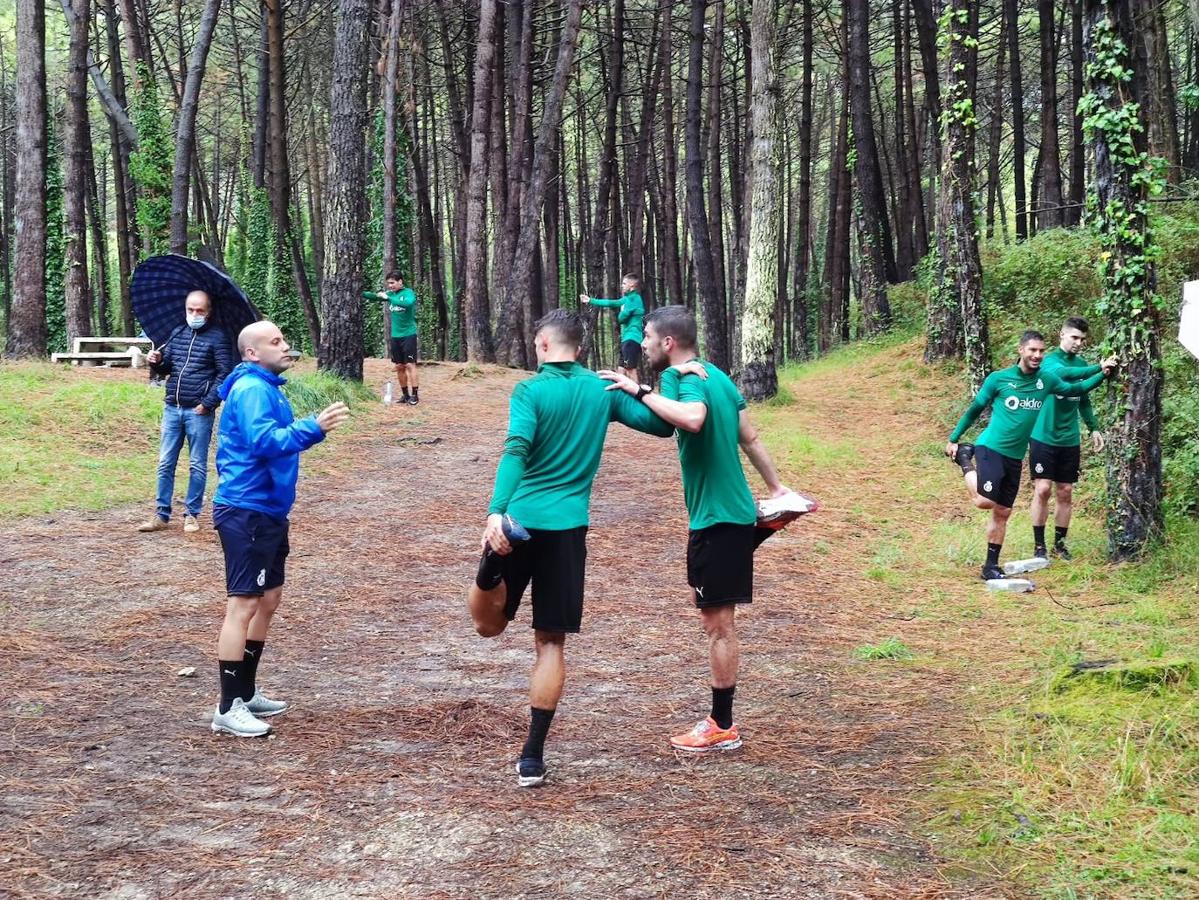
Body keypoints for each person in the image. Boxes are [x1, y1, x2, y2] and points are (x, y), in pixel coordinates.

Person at [468, 308, 674, 787]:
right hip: (568, 530)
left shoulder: (530, 390)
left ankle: (488, 574)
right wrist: (639, 387)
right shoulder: (601, 390)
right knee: (551, 642)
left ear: (542, 345)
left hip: (519, 522)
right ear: (580, 348)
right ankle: (532, 756)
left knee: (488, 626)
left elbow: (516, 449)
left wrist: (495, 510)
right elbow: (664, 427)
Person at [601, 305, 793, 754]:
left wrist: (639, 388)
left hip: (715, 518)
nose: (642, 342)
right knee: (713, 613)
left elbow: (690, 420)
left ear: (668, 342)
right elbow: (750, 436)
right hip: (731, 511)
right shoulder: (716, 376)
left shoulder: (682, 377)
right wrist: (777, 486)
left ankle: (722, 725)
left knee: (718, 625)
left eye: (647, 336)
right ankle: (769, 516)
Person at [209, 321, 350, 737]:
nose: (286, 346)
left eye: (284, 339)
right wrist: (314, 427)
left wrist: (309, 429)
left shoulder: (267, 387)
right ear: (252, 353)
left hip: (268, 509)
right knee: (244, 604)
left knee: (268, 599)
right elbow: (264, 442)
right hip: (245, 509)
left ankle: (246, 692)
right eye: (276, 341)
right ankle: (227, 705)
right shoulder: (252, 390)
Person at [944, 330, 1115, 581]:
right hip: (991, 448)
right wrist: (954, 439)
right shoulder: (999, 379)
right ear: (1021, 350)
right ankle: (965, 460)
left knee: (1003, 511)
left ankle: (990, 566)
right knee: (984, 501)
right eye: (1032, 350)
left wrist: (1103, 373)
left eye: (1041, 351)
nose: (1037, 355)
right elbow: (975, 409)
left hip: (1015, 457)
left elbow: (1074, 389)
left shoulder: (1046, 380)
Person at [138, 291, 234, 534]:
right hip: (172, 407)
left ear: (209, 311)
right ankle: (161, 515)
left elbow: (224, 373)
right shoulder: (178, 332)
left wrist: (208, 402)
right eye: (190, 309)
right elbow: (167, 367)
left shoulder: (218, 337)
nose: (194, 314)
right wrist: (156, 361)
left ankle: (191, 514)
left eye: (199, 310)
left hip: (198, 411)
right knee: (164, 463)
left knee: (197, 464)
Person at [1028, 317, 1106, 560]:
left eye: (1082, 339)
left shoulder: (1081, 363)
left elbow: (1083, 397)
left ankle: (1059, 546)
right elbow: (1067, 374)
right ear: (1061, 335)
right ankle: (1039, 546)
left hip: (1069, 438)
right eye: (1074, 337)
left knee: (1065, 490)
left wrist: (1093, 427)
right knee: (1042, 489)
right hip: (1043, 435)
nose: (1078, 343)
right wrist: (1099, 369)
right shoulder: (1048, 363)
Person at [363, 271, 421, 404]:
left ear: (400, 282)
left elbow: (408, 304)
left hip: (408, 334)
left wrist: (388, 298)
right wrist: (360, 292)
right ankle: (405, 395)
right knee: (400, 366)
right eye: (388, 283)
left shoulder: (408, 293)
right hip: (395, 336)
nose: (390, 286)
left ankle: (415, 395)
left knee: (410, 365)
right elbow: (375, 297)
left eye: (393, 283)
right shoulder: (390, 294)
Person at [580, 273, 646, 378]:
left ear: (632, 286)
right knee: (621, 370)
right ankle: (619, 393)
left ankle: (637, 394)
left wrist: (622, 313)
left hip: (632, 339)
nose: (622, 286)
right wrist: (590, 300)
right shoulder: (627, 299)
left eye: (624, 284)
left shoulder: (634, 299)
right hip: (626, 339)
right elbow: (611, 303)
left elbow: (622, 318)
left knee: (630, 369)